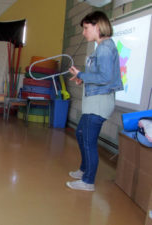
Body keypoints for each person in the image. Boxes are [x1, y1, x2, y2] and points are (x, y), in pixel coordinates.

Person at [67, 11, 123, 191]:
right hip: (93, 102)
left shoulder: (105, 47)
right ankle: (84, 170)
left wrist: (82, 74)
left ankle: (88, 181)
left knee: (88, 141)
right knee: (81, 134)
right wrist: (82, 78)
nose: (83, 33)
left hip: (99, 103)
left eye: (86, 28)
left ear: (97, 27)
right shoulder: (101, 47)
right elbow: (100, 76)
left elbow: (106, 77)